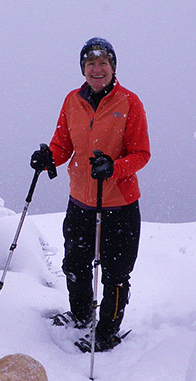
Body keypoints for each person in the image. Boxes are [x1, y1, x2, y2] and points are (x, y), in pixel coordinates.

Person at [30, 37, 150, 352]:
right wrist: (48, 159)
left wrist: (113, 167)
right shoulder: (73, 101)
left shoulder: (129, 102)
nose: (97, 69)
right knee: (75, 263)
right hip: (80, 201)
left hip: (119, 205)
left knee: (115, 272)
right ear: (83, 68)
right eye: (90, 63)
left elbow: (141, 153)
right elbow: (62, 145)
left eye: (103, 63)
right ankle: (82, 315)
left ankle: (108, 330)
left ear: (113, 68)